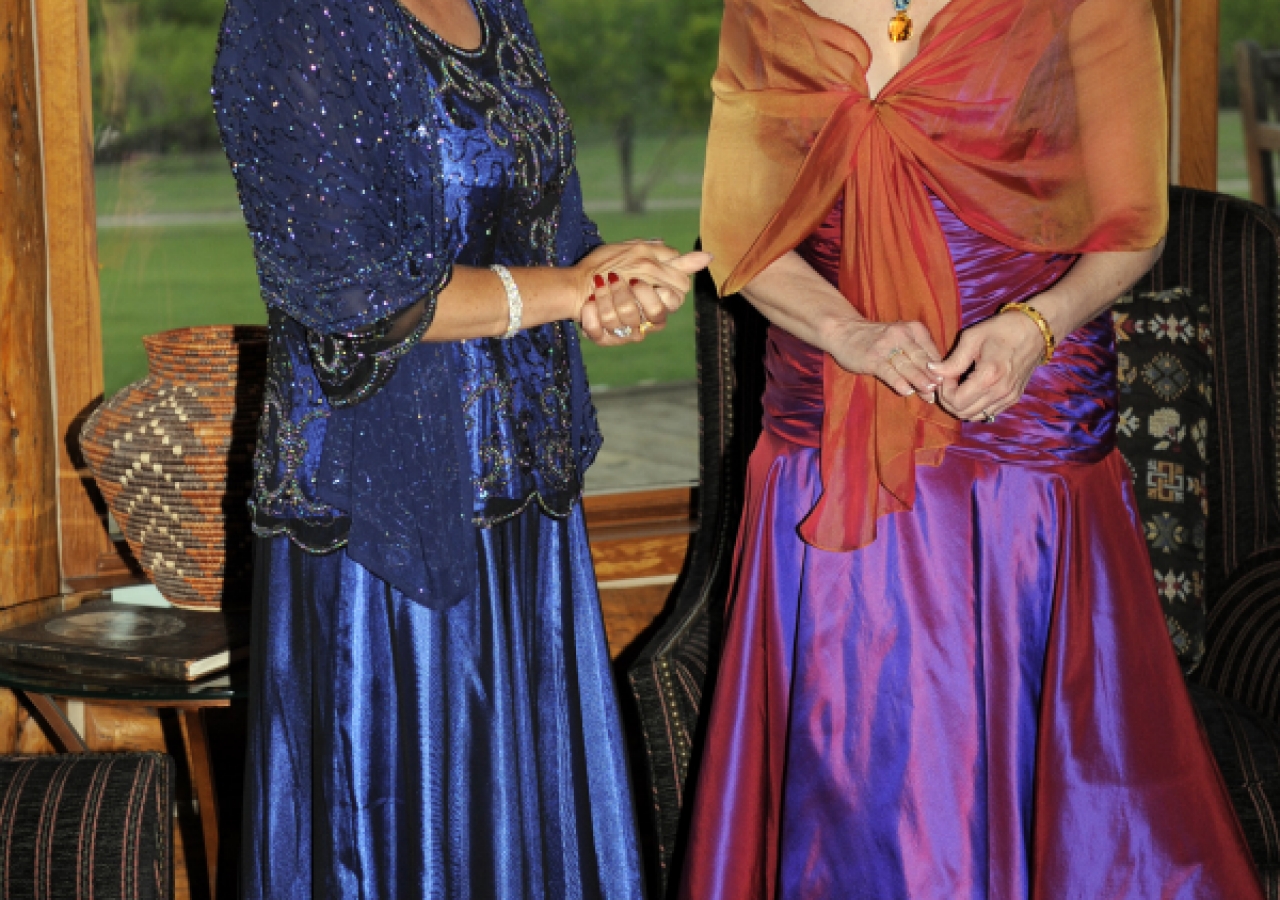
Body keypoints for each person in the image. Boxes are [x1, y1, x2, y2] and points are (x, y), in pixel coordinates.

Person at [679, 0, 1265, 896]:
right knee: (851, 771)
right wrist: (850, 333)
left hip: (1020, 433)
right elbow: (743, 236)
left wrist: (1037, 325)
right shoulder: (768, 9)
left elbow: (1132, 223)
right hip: (829, 437)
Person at [212, 0, 708, 893]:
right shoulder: (292, 16)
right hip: (387, 527)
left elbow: (548, 229)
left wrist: (609, 277)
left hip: (525, 510)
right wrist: (567, 288)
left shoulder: (495, 8)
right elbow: (356, 293)